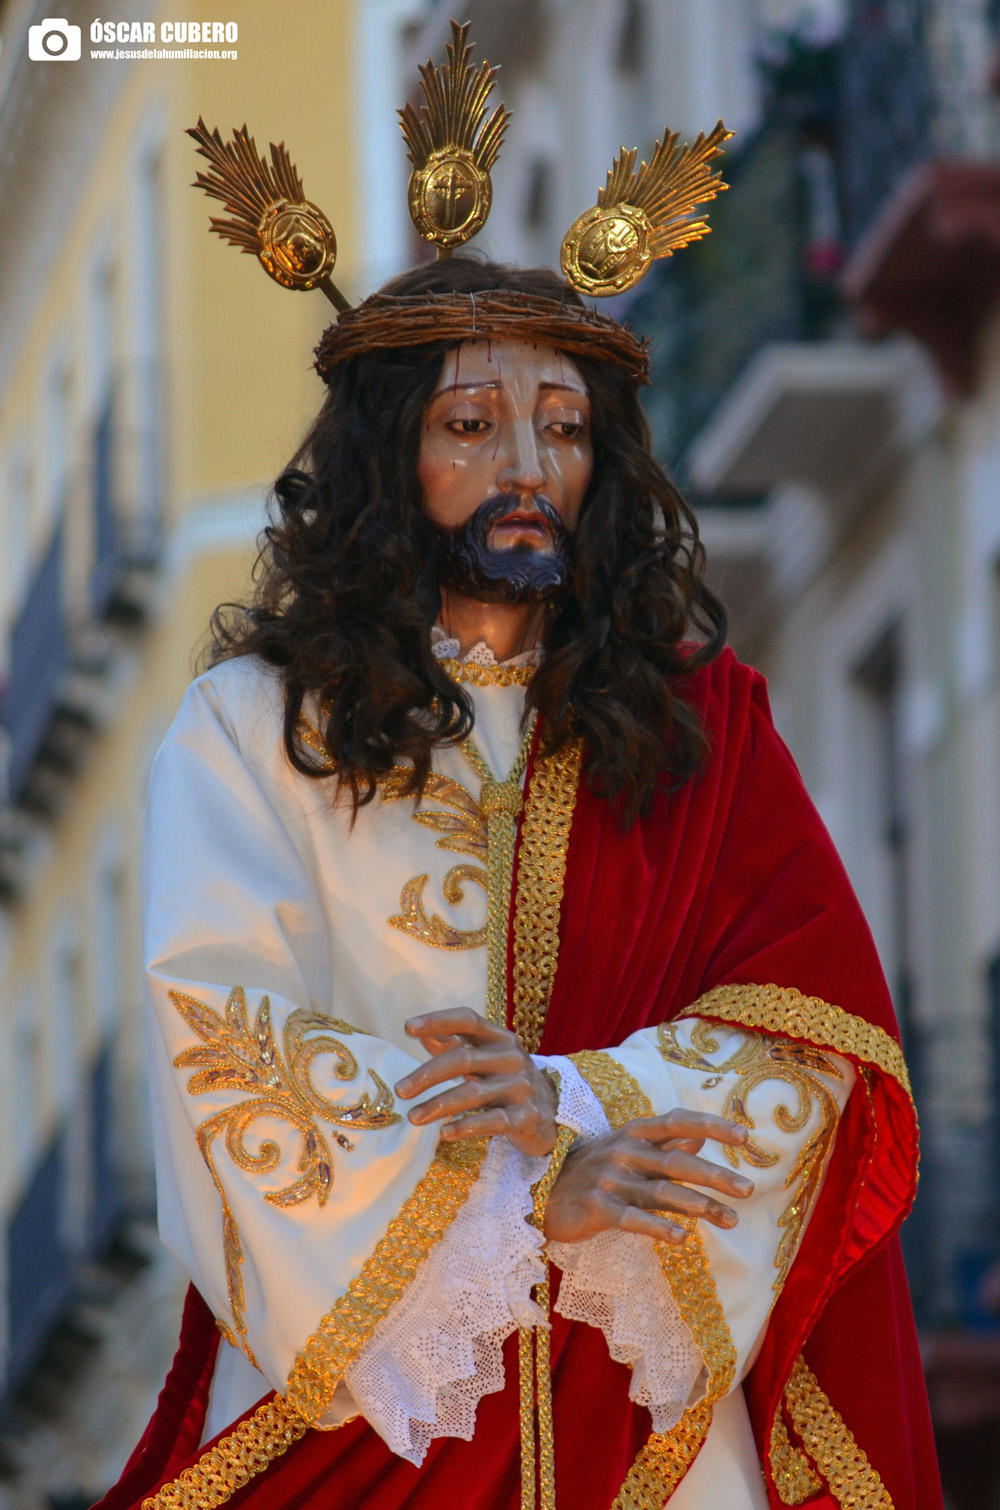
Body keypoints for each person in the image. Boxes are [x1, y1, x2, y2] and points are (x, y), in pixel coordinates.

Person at [95, 28, 940, 1510]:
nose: (526, 468)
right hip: (377, 1403)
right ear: (386, 463)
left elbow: (822, 1029)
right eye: (471, 427)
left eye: (562, 429)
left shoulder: (697, 728)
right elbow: (223, 1041)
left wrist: (580, 1105)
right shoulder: (255, 727)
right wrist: (520, 1189)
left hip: (646, 1404)